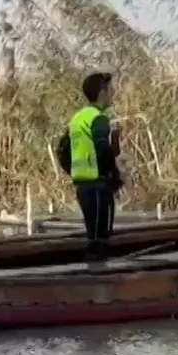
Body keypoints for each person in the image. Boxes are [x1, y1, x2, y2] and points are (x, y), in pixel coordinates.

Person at [63, 71, 121, 259]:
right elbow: (102, 148)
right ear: (102, 93)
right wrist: (113, 175)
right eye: (110, 89)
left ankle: (93, 271)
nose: (113, 93)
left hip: (82, 183)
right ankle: (99, 276)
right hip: (98, 183)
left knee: (93, 234)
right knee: (101, 237)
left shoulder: (78, 118)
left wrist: (72, 171)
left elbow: (63, 150)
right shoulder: (98, 118)